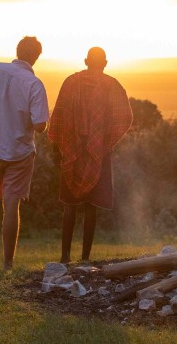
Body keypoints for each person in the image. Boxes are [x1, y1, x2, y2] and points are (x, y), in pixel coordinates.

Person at [0, 36, 49, 273]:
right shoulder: (35, 85)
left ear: (17, 51)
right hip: (18, 152)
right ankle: (7, 265)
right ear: (36, 57)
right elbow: (40, 125)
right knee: (11, 205)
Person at [47, 47, 134, 264]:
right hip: (98, 153)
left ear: (86, 61)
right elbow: (125, 118)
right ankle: (85, 258)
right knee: (91, 206)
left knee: (69, 205)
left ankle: (65, 256)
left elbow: (57, 116)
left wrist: (61, 146)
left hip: (71, 151)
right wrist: (105, 142)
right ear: (105, 63)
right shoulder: (112, 86)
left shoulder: (70, 82)